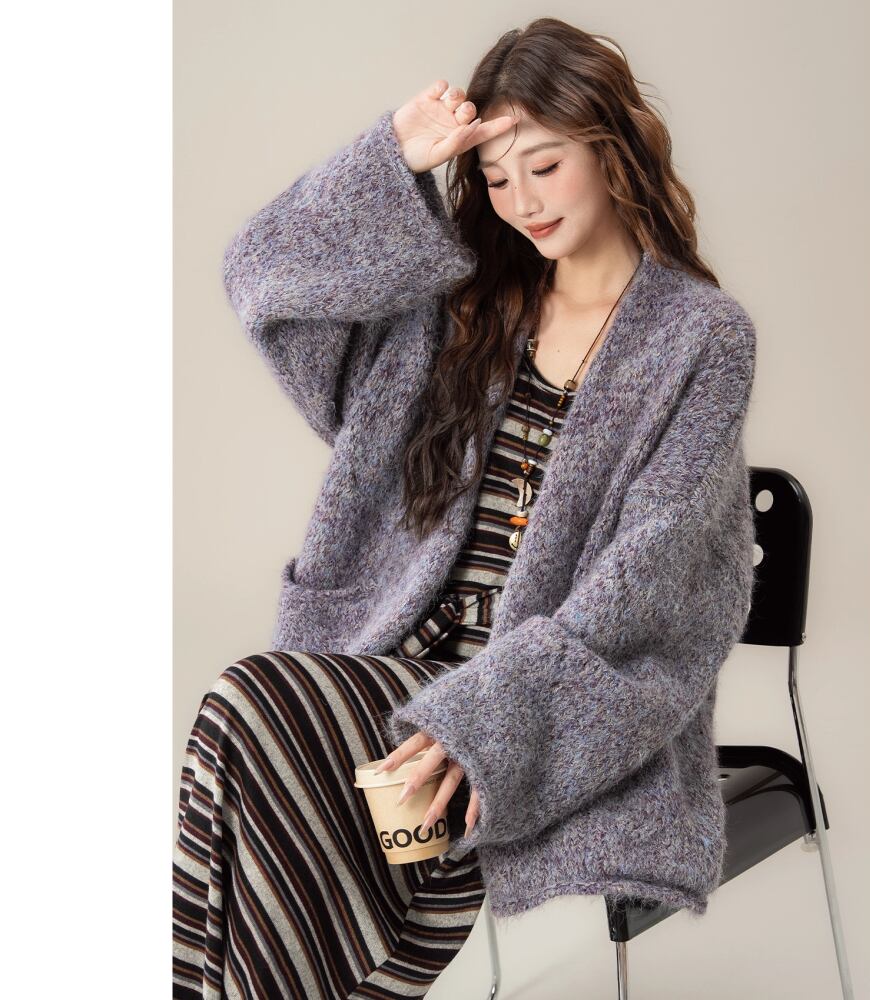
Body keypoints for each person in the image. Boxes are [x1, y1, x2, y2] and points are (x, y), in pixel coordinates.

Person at [173, 16, 757, 999]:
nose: (521, 201)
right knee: (254, 723)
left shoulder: (699, 338)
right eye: (495, 177)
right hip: (387, 667)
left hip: (533, 713)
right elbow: (262, 277)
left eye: (546, 165)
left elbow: (651, 591)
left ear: (611, 148)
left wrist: (484, 718)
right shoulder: (464, 311)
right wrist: (391, 157)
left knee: (256, 726)